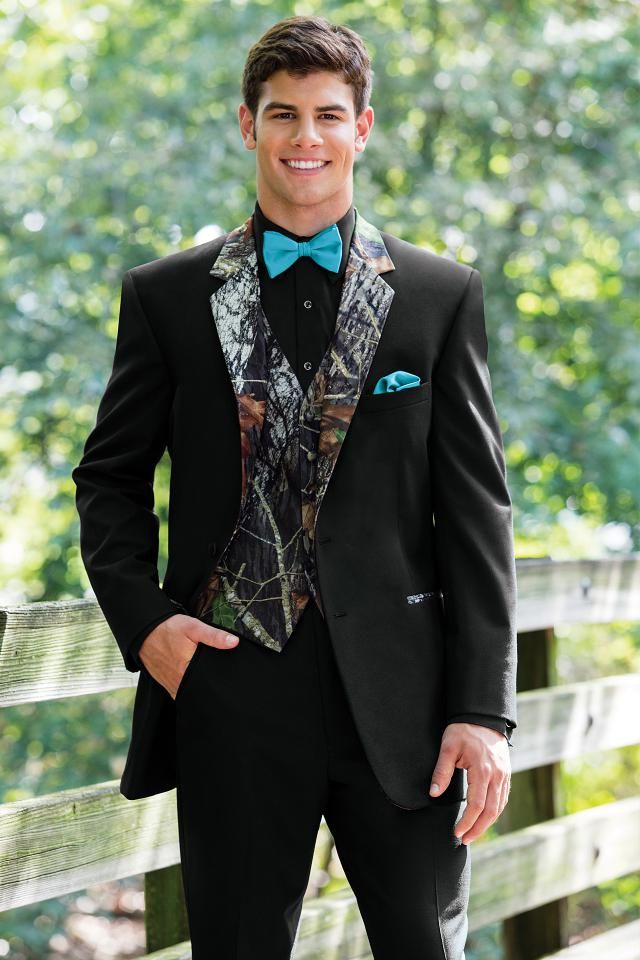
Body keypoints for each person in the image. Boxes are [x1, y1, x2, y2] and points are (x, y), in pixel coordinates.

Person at [72, 14, 517, 960]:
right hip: (230, 685)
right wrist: (144, 621)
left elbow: (477, 512)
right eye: (283, 115)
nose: (304, 138)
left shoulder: (440, 297)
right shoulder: (167, 297)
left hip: (407, 705)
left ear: (362, 127)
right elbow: (108, 480)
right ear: (248, 126)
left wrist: (483, 711)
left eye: (326, 115)